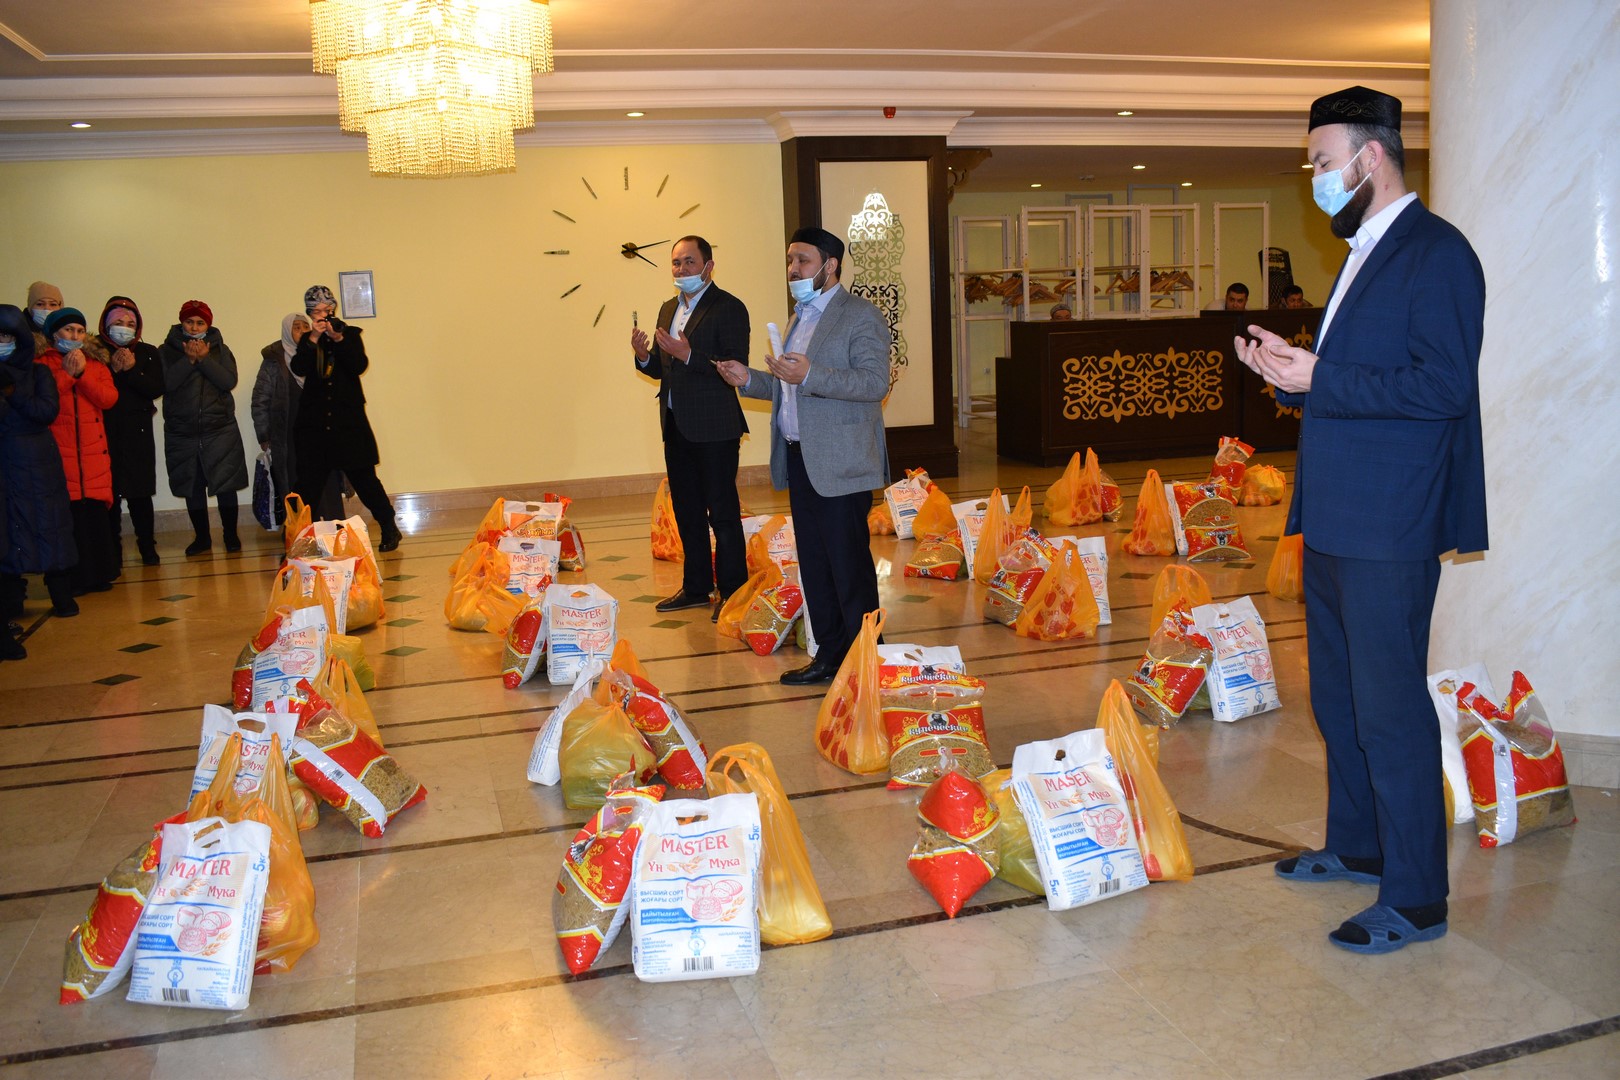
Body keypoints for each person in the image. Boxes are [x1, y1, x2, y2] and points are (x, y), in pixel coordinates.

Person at [1234, 85, 1486, 956]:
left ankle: (1416, 896)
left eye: (1323, 160)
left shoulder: (1436, 252)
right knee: (1338, 698)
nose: (1316, 176)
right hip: (1337, 514)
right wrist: (1292, 374)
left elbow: (1444, 385)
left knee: (1389, 710)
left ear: (1371, 157)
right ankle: (1360, 843)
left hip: (1389, 521)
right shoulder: (1364, 251)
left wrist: (1323, 378)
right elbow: (1362, 379)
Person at [716, 226, 889, 685]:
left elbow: (874, 383)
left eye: (803, 260)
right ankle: (830, 654)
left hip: (841, 462)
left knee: (849, 568)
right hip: (800, 457)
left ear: (830, 265)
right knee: (815, 564)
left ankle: (867, 661)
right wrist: (748, 379)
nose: (793, 269)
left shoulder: (860, 315)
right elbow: (787, 387)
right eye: (790, 260)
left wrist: (811, 373)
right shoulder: (799, 318)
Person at [630, 235, 751, 619]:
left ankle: (733, 591)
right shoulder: (668, 308)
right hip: (676, 426)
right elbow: (661, 369)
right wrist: (644, 357)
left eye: (689, 262)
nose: (681, 269)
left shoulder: (729, 307)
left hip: (715, 428)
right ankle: (697, 587)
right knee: (687, 512)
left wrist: (689, 354)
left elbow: (735, 367)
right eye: (676, 263)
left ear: (708, 266)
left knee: (723, 514)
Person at [291, 285, 401, 552]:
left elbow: (358, 365)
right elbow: (298, 367)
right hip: (315, 426)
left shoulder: (349, 335)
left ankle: (389, 526)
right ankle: (296, 539)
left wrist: (338, 339)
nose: (322, 316)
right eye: (316, 312)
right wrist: (314, 337)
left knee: (365, 480)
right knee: (307, 487)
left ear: (334, 310)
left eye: (326, 310)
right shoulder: (307, 341)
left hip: (348, 423)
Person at [0, 304, 78, 644]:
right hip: (5, 462)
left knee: (49, 525)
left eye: (6, 337)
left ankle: (61, 595)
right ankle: (10, 603)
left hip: (37, 460)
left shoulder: (39, 373)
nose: (2, 343)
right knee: (8, 530)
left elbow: (46, 411)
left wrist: (12, 392)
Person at [38, 308, 120, 595]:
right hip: (59, 453)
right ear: (53, 334)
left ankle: (100, 574)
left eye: (80, 330)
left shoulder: (95, 363)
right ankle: (73, 579)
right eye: (68, 330)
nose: (74, 336)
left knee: (94, 517)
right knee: (68, 519)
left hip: (93, 453)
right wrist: (67, 375)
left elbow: (108, 398)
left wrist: (82, 374)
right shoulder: (41, 364)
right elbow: (43, 403)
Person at [160, 300, 249, 556]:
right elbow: (166, 384)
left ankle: (230, 534)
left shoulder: (221, 349)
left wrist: (204, 360)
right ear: (182, 323)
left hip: (220, 429)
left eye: (200, 323)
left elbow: (228, 380)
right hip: (182, 431)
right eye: (189, 322)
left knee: (226, 483)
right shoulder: (165, 351)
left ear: (207, 325)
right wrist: (188, 360)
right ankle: (202, 538)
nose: (194, 327)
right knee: (192, 485)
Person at [86, 296, 163, 567]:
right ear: (106, 324)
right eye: (118, 322)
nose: (125, 328)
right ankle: (113, 552)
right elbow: (93, 389)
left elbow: (155, 388)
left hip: (138, 432)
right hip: (104, 432)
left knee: (140, 494)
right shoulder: (94, 351)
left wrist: (131, 371)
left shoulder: (148, 352)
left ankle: (147, 548)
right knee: (110, 494)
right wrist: (114, 370)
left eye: (130, 323)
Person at [254, 312, 344, 525]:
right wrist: (264, 434)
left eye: (306, 327)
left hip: (322, 432)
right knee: (296, 481)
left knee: (327, 480)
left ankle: (333, 528)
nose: (302, 331)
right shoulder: (274, 362)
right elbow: (260, 401)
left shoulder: (322, 354)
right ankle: (300, 530)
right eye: (296, 327)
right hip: (289, 435)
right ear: (287, 331)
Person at [24, 281, 62, 357]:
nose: (47, 308)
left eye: (53, 304)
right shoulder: (18, 336)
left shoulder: (72, 335)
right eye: (40, 304)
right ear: (30, 308)